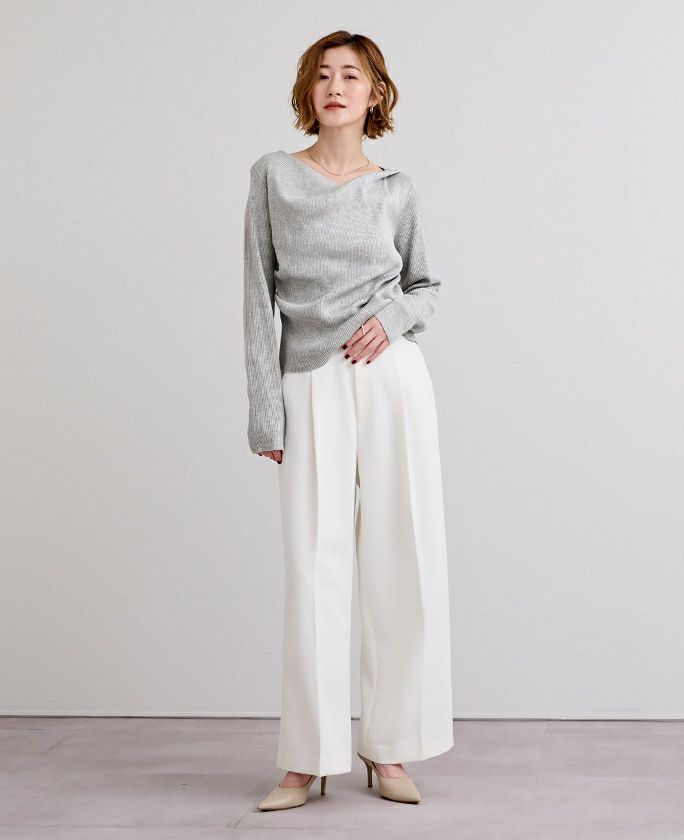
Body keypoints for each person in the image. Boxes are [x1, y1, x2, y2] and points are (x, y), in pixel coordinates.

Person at [243, 30, 454, 810]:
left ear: (375, 94)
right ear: (309, 91)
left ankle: (388, 747)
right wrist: (264, 411)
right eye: (324, 75)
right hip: (308, 380)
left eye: (352, 76)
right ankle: (308, 757)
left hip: (391, 378)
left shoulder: (396, 188)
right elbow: (255, 296)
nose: (336, 87)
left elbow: (426, 286)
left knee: (402, 555)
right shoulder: (274, 176)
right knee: (314, 565)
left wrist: (391, 320)